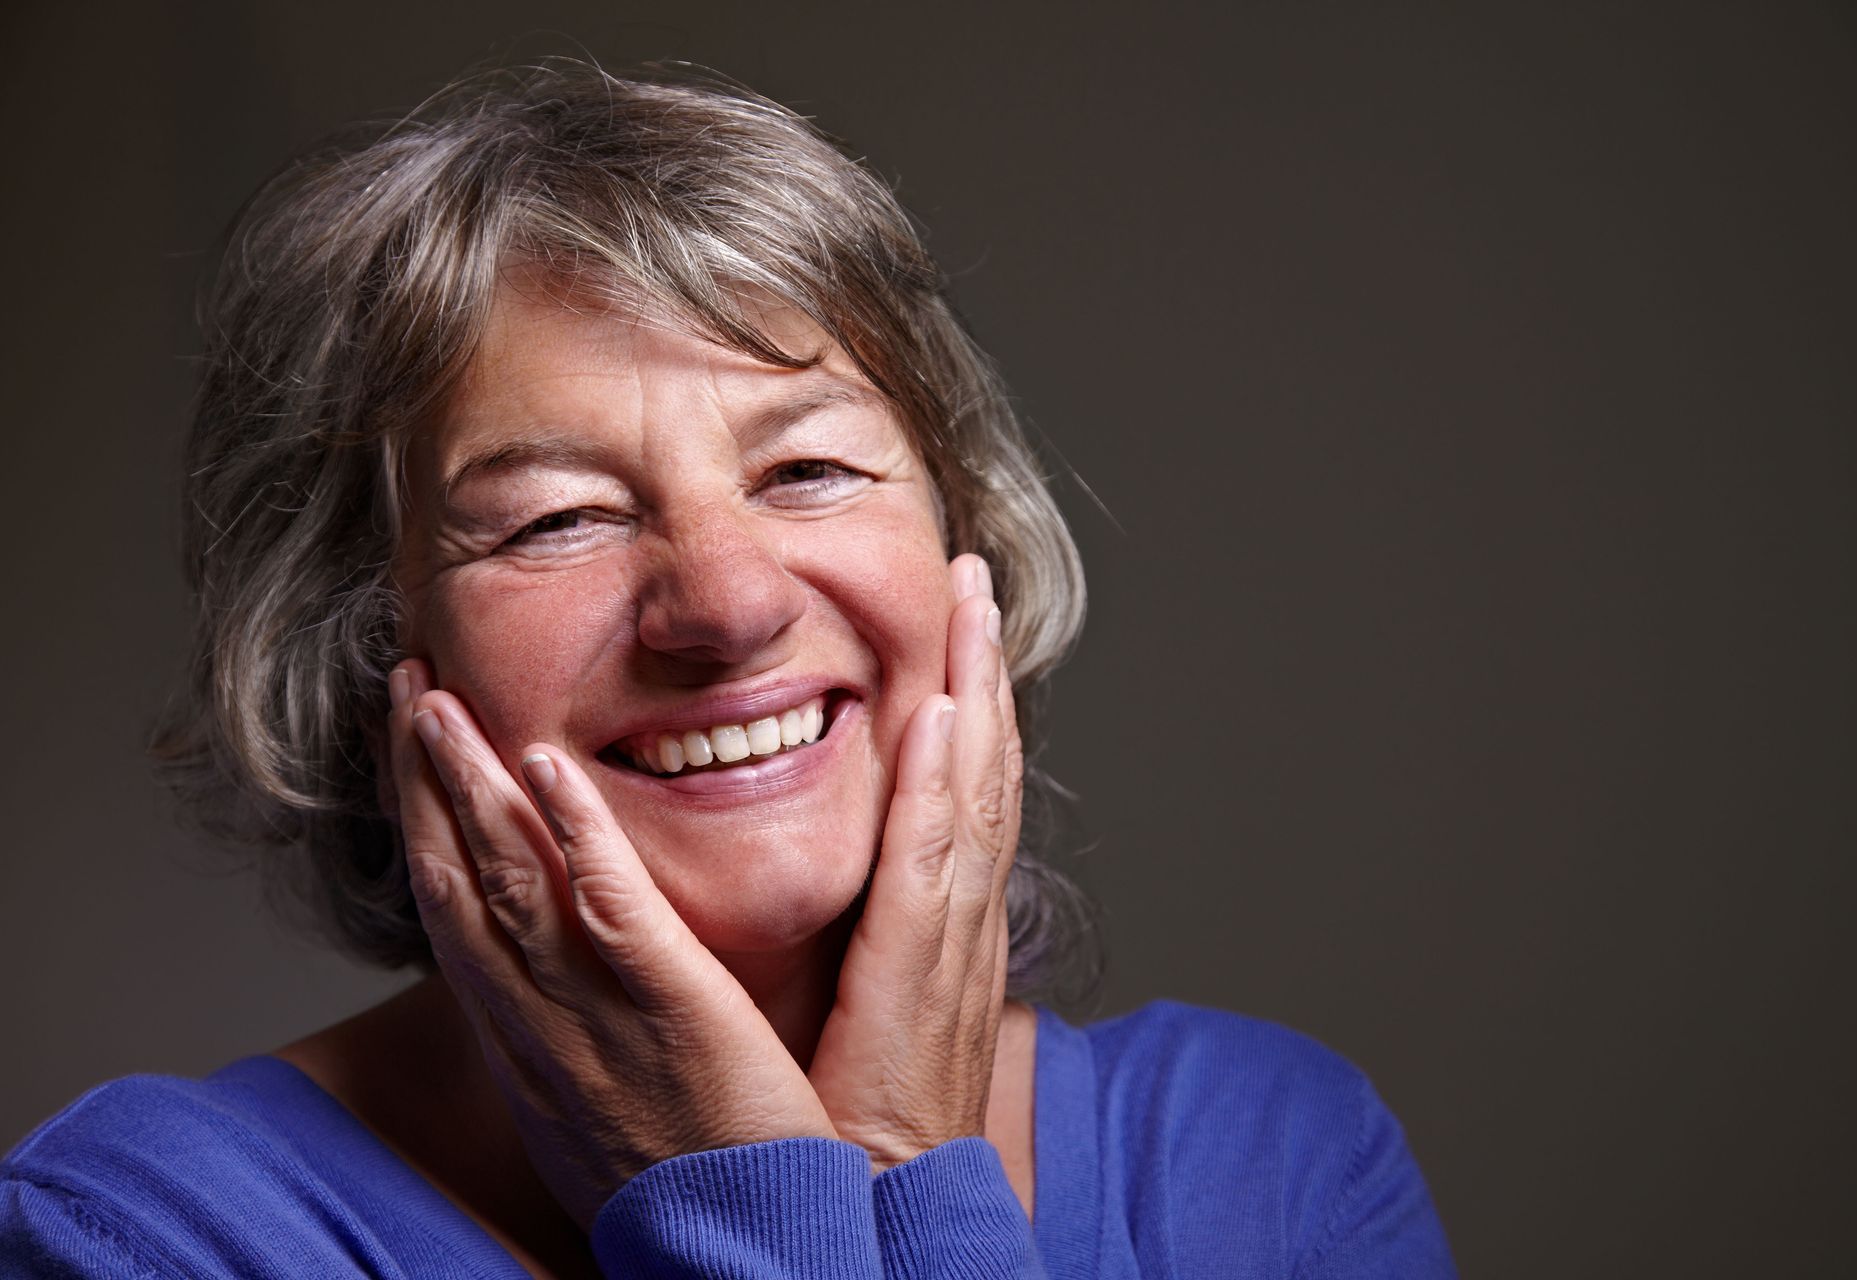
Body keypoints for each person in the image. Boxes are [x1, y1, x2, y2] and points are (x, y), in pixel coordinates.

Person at [0, 63, 1456, 1277]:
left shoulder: (1263, 1162)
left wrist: (903, 1172)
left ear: (967, 553)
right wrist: (768, 1214)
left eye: (811, 468)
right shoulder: (143, 1232)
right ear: (369, 644)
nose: (729, 603)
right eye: (559, 518)